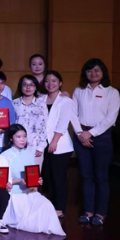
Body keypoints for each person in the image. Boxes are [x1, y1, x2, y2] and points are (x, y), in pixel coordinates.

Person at [72, 58, 120, 227]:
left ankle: (100, 213)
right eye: (89, 70)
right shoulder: (78, 90)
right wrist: (80, 133)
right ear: (85, 73)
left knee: (101, 176)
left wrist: (90, 133)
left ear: (103, 72)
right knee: (86, 175)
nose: (93, 73)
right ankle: (88, 211)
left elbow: (110, 118)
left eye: (97, 70)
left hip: (102, 137)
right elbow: (73, 114)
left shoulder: (112, 92)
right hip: (80, 135)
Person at [1, 124, 65, 236]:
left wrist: (37, 181)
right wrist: (19, 180)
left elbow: (32, 176)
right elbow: (3, 181)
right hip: (14, 194)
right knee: (27, 220)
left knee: (47, 205)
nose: (22, 140)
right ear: (11, 138)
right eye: (18, 137)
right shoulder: (4, 156)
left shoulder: (29, 154)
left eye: (24, 136)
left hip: (30, 192)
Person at [42, 71, 80, 218]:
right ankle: (48, 205)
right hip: (44, 144)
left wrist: (54, 141)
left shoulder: (65, 101)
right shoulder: (40, 99)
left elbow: (63, 123)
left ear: (60, 83)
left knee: (59, 177)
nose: (50, 84)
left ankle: (59, 207)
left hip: (59, 145)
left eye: (54, 81)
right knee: (47, 176)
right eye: (47, 81)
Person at [12, 75, 48, 167]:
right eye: (25, 84)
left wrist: (41, 147)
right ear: (20, 86)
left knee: (33, 174)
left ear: (35, 87)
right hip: (16, 146)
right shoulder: (14, 103)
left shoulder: (41, 105)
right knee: (17, 172)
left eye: (31, 85)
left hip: (35, 147)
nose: (28, 87)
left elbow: (44, 126)